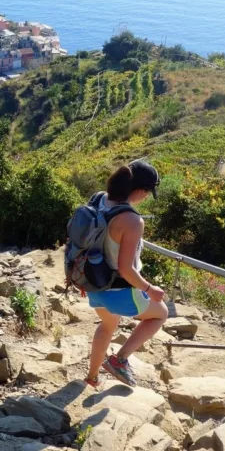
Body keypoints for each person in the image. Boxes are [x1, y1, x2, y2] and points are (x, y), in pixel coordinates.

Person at [84, 160, 168, 388]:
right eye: (148, 192)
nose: (147, 197)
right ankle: (119, 360)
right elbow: (126, 269)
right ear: (140, 190)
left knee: (107, 325)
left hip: (93, 284)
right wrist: (150, 289)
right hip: (118, 289)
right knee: (160, 314)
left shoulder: (98, 199)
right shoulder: (132, 221)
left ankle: (92, 377)